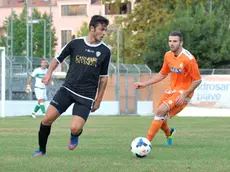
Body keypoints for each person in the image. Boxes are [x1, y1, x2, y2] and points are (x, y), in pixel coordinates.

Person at [32, 15, 111, 156]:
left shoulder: (105, 51)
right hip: (67, 89)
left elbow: (103, 78)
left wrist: (98, 100)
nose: (104, 33)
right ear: (92, 28)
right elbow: (58, 59)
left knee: (75, 128)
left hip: (86, 95)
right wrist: (49, 73)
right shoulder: (76, 43)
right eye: (102, 30)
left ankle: (74, 135)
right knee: (46, 119)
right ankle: (41, 149)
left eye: (106, 30)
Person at [135, 31, 202, 145]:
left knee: (160, 111)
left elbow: (198, 80)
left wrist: (185, 94)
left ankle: (146, 142)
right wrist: (145, 84)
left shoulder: (188, 59)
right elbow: (162, 74)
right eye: (170, 41)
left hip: (184, 92)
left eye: (175, 41)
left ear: (181, 42)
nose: (171, 44)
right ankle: (169, 133)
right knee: (159, 114)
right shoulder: (168, 55)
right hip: (172, 89)